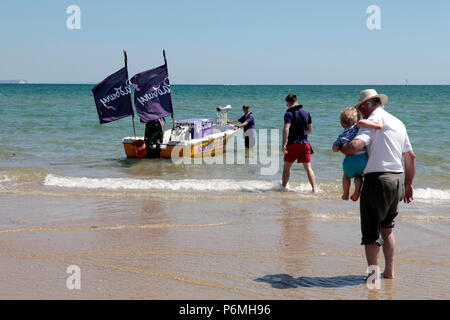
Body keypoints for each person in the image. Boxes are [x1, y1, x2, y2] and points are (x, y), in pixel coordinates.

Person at [339, 89, 416, 279]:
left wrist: (341, 146)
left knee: (371, 233)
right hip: (397, 179)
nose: (360, 113)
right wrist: (408, 184)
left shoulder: (372, 122)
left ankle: (372, 277)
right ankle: (389, 272)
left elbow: (356, 146)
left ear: (366, 105)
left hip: (377, 180)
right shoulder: (398, 122)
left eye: (360, 108)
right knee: (387, 228)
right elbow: (410, 156)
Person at [332, 107, 383, 201]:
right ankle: (357, 191)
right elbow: (361, 123)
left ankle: (345, 193)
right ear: (357, 119)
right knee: (358, 176)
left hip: (349, 161)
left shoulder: (341, 135)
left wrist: (340, 146)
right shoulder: (357, 126)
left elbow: (334, 149)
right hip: (362, 159)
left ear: (342, 123)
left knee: (346, 176)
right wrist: (376, 126)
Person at [281, 93, 317, 192]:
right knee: (308, 168)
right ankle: (314, 189)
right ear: (296, 100)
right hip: (305, 144)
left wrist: (283, 144)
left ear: (288, 103)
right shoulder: (307, 112)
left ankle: (283, 188)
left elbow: (286, 129)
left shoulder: (288, 113)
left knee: (287, 167)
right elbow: (309, 129)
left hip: (292, 144)